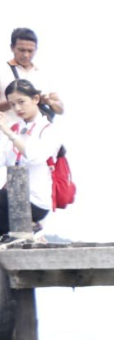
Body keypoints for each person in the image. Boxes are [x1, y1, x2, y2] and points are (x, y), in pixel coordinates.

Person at [0, 80, 60, 235]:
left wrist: (10, 134)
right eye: (12, 105)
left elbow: (34, 157)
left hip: (34, 201)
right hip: (12, 198)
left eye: (21, 102)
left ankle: (31, 226)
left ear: (35, 99)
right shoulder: (15, 128)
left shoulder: (48, 130)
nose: (17, 108)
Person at [0, 28, 63, 119]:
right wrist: (17, 100)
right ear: (12, 48)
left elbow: (60, 109)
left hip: (38, 131)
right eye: (21, 50)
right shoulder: (2, 71)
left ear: (36, 50)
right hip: (8, 131)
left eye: (30, 51)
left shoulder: (42, 73)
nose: (26, 55)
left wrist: (48, 101)